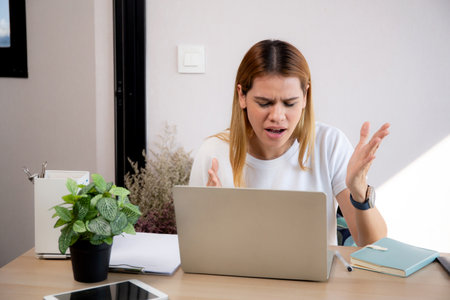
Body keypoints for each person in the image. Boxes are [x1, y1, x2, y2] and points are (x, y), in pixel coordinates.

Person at [189, 39, 389, 247]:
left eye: (289, 103)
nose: (277, 116)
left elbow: (374, 245)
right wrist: (213, 216)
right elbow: (196, 248)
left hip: (314, 280)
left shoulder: (329, 144)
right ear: (242, 96)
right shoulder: (212, 154)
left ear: (305, 97)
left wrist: (359, 190)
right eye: (264, 103)